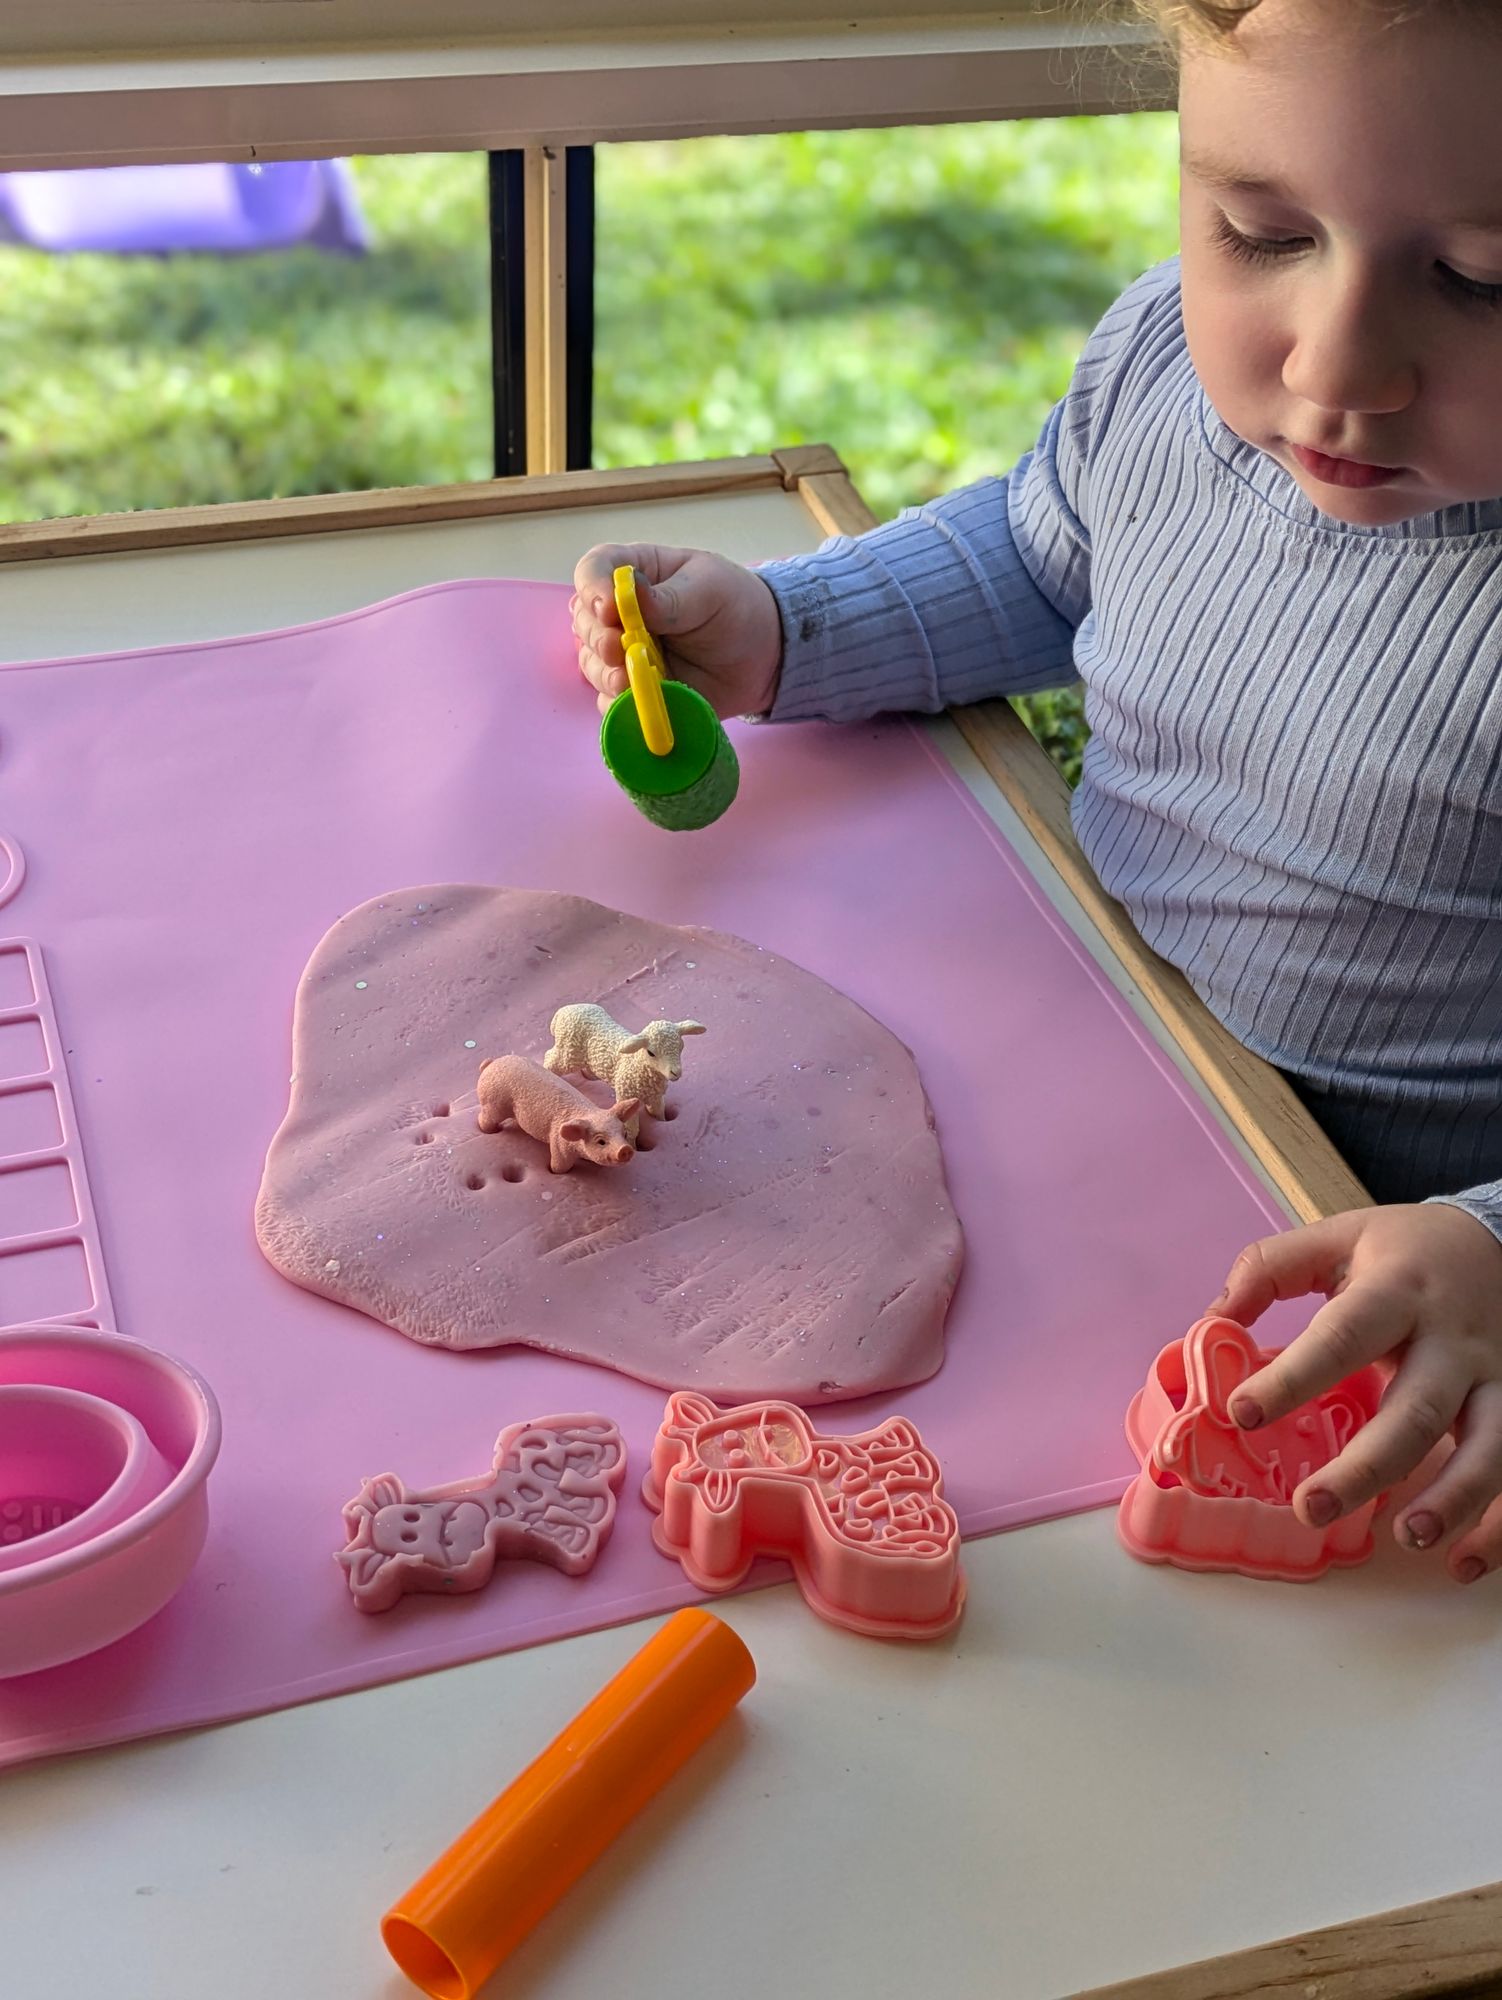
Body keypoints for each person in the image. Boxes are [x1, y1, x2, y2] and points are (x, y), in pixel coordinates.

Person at [569, 0, 1502, 1582]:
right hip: (1088, 1072)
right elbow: (1044, 547)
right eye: (1259, 233)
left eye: (1482, 275)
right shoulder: (1165, 370)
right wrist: (796, 627)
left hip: (1367, 1277)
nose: (1334, 363)